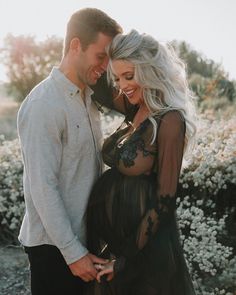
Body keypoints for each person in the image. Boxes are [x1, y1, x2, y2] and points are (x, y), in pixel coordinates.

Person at [17, 8, 122, 295]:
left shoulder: (89, 97)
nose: (105, 67)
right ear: (76, 45)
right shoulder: (43, 104)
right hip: (54, 248)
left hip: (82, 240)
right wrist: (72, 252)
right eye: (101, 56)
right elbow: (42, 187)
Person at [86, 29, 197, 295]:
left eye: (129, 75)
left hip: (145, 254)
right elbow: (99, 88)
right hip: (115, 243)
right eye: (117, 77)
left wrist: (125, 260)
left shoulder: (170, 121)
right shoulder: (134, 106)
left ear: (149, 71)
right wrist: (108, 43)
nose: (122, 85)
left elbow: (165, 199)